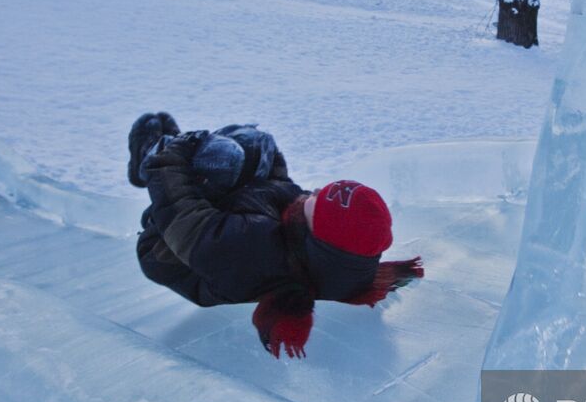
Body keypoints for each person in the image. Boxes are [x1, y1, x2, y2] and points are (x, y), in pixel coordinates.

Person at [127, 112, 424, 359]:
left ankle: (149, 154)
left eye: (320, 202)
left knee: (224, 158)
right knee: (256, 144)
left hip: (169, 248)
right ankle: (186, 157)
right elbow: (279, 188)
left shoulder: (253, 249)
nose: (317, 191)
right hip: (237, 217)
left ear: (317, 237)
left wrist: (169, 157)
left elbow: (183, 216)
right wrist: (271, 160)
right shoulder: (318, 241)